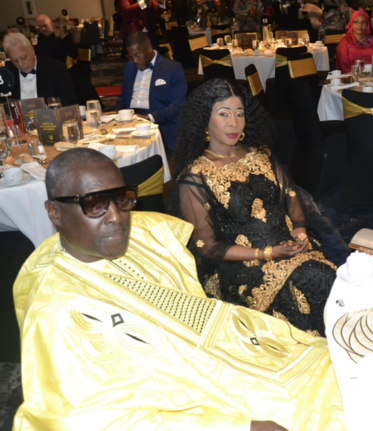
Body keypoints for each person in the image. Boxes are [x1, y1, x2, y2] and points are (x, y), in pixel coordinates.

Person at [13, 148, 344, 430]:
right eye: (93, 204)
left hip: (231, 354)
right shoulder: (54, 312)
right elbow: (92, 419)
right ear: (54, 212)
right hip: (193, 403)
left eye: (120, 198)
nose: (115, 217)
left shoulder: (136, 236)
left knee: (340, 364)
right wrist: (238, 427)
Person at [168, 79, 337, 336]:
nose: (234, 123)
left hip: (290, 249)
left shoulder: (260, 154)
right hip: (242, 266)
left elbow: (290, 195)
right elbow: (209, 248)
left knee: (329, 278)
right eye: (223, 114)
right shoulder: (195, 177)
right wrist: (269, 253)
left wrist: (300, 231)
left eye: (239, 114)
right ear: (206, 120)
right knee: (308, 283)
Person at [116, 31, 186, 150]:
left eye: (137, 55)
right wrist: (120, 117)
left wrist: (147, 118)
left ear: (148, 47)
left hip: (158, 122)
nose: (135, 61)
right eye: (131, 57)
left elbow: (178, 106)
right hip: (131, 121)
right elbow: (123, 98)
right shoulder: (129, 67)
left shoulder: (172, 68)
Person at [2, 32, 77, 106]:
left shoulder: (55, 68)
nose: (20, 64)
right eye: (15, 61)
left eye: (23, 58)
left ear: (32, 50)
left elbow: (70, 100)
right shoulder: (6, 75)